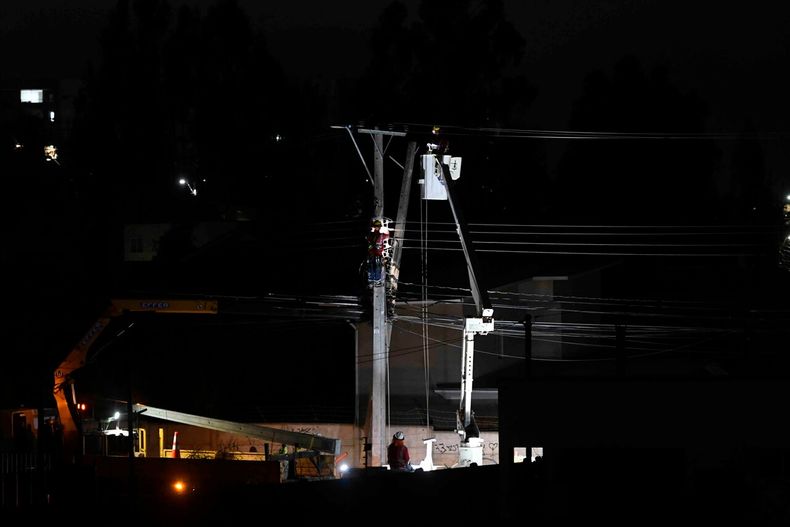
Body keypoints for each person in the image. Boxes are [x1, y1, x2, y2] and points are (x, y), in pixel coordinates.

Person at [366, 219, 389, 284]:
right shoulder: (370, 234)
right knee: (371, 265)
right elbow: (368, 241)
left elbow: (387, 236)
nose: (377, 227)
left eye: (378, 226)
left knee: (377, 264)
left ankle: (377, 279)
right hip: (372, 253)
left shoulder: (381, 235)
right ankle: (371, 279)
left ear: (379, 227)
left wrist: (386, 230)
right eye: (375, 226)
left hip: (378, 253)